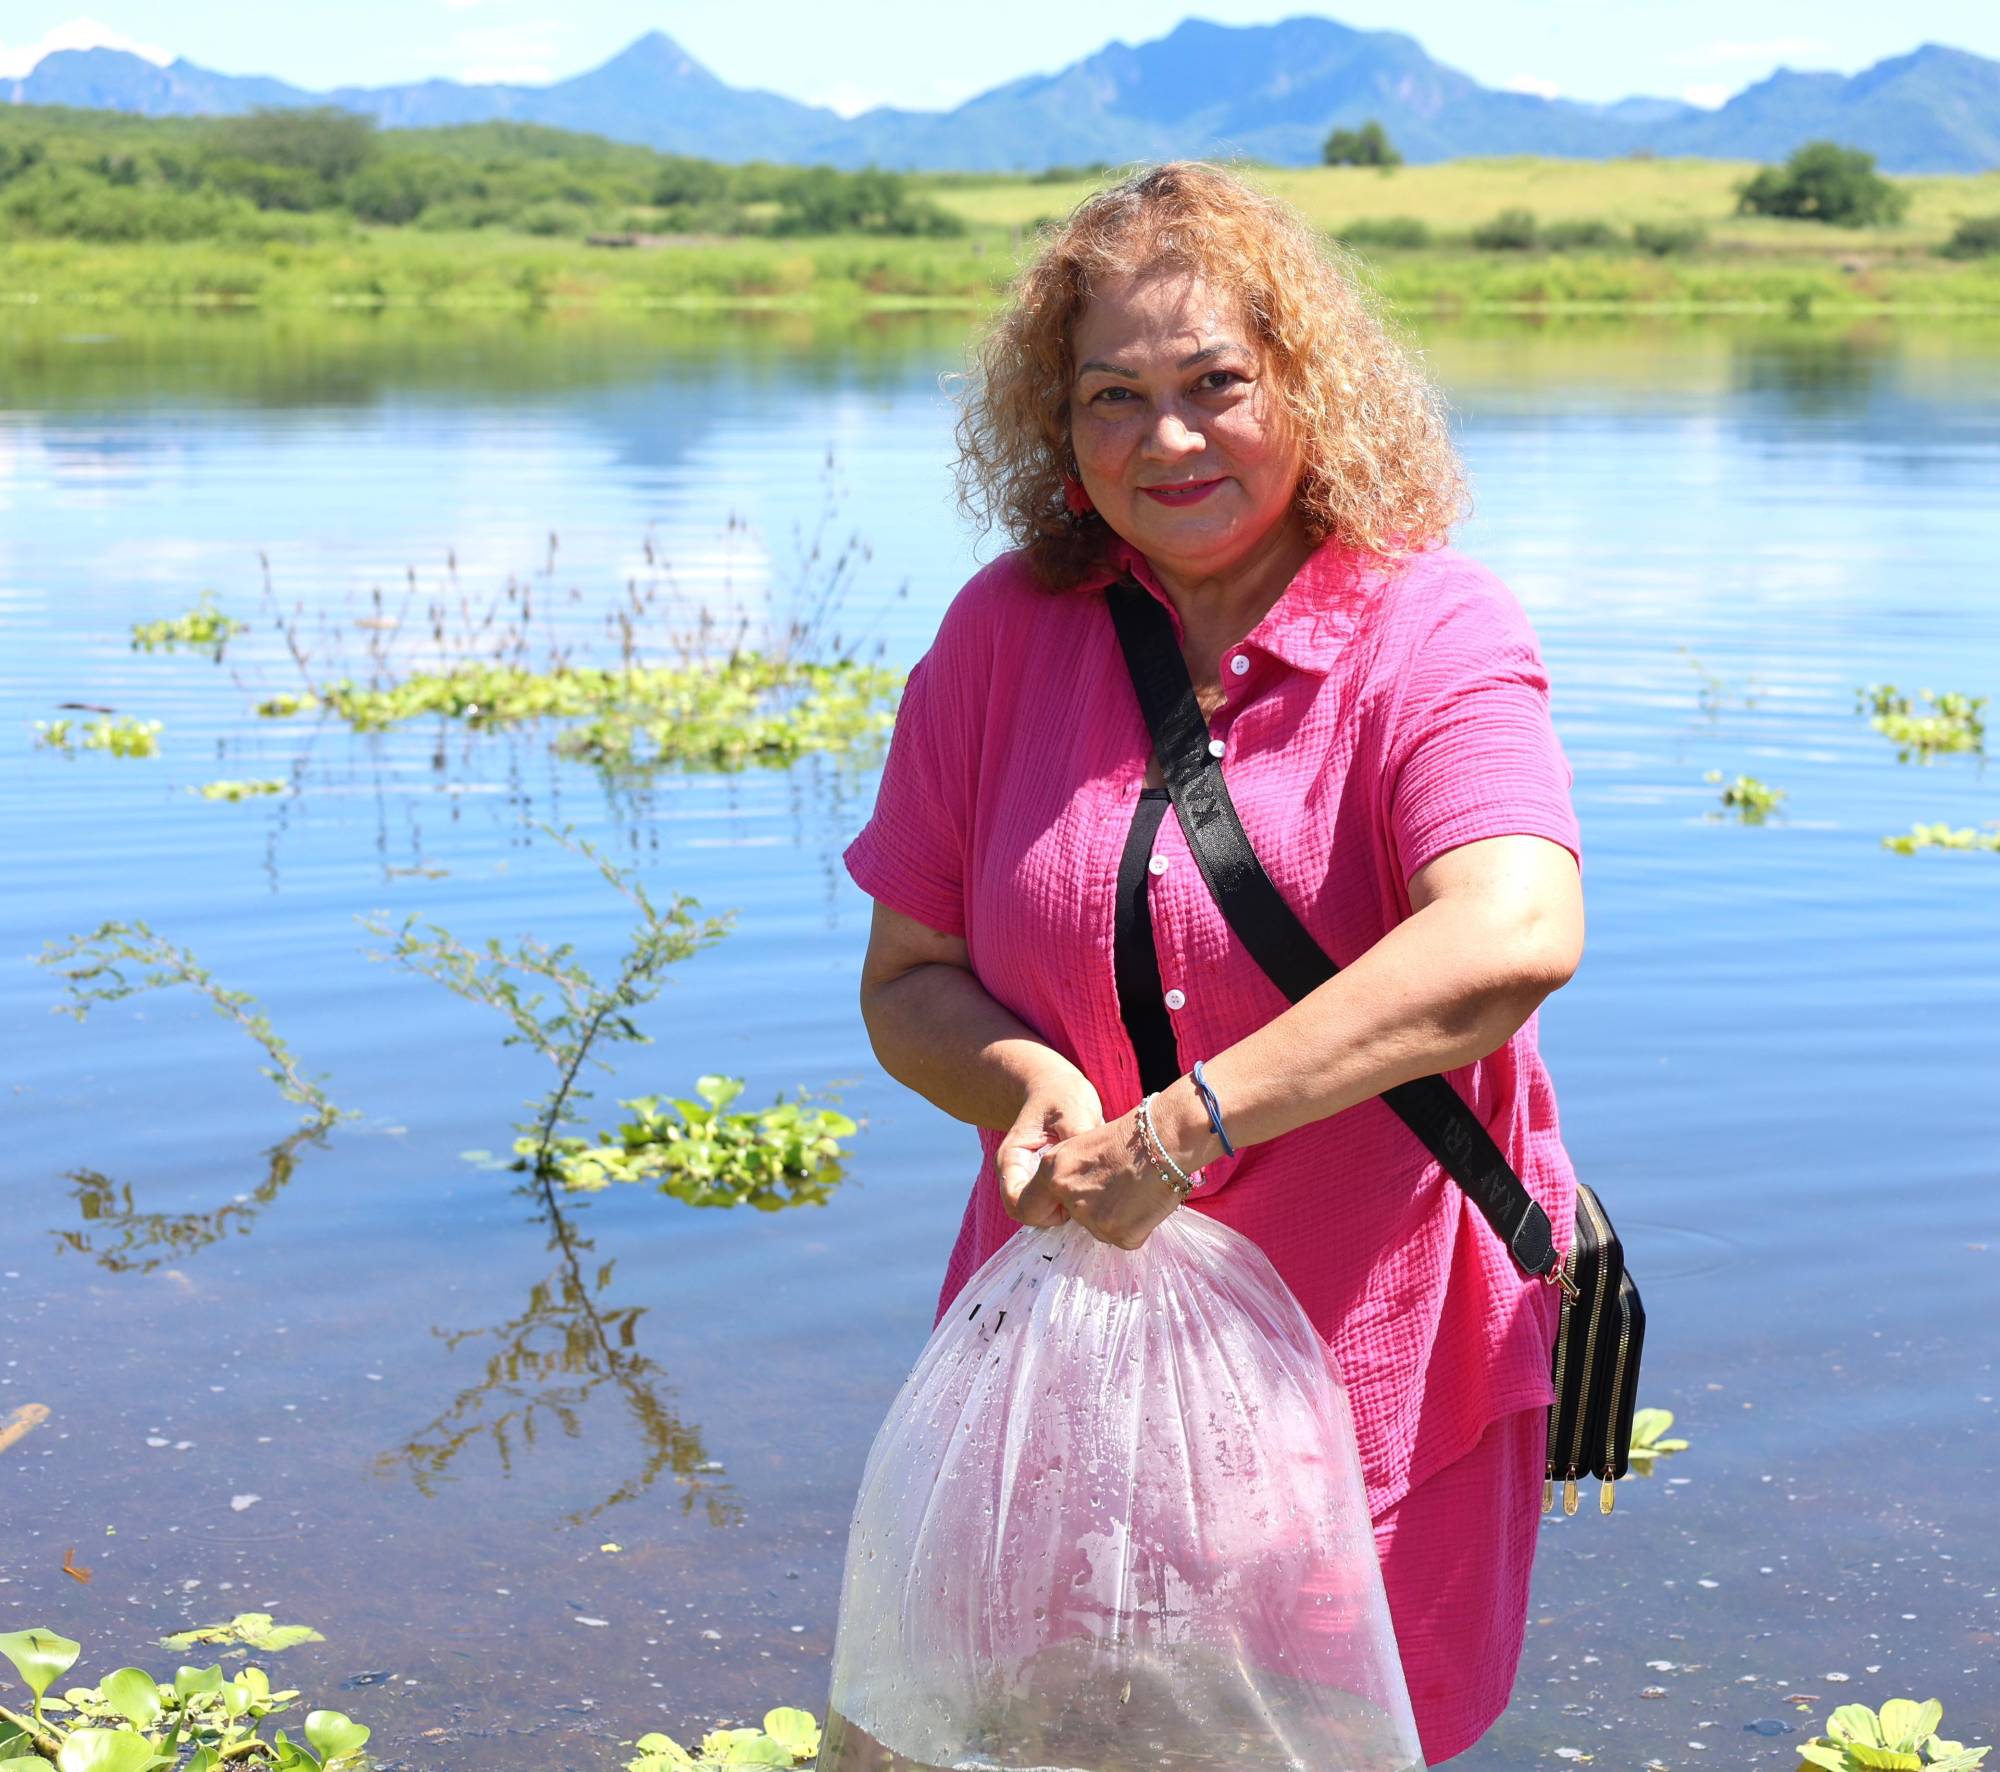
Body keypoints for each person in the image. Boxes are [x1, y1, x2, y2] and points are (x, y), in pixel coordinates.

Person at [841, 160, 1585, 1766]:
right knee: (1030, 1739)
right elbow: (907, 982)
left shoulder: (1431, 629)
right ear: (1058, 427)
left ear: (1308, 385)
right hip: (1063, 1376)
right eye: (1112, 395)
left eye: (1215, 383)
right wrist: (1024, 1077)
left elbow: (1515, 933)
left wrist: (1185, 1127)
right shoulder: (1001, 636)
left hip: (1367, 1370)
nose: (1166, 439)